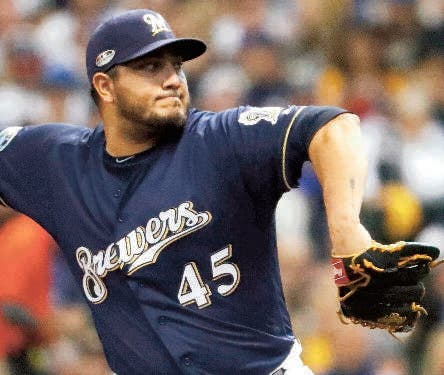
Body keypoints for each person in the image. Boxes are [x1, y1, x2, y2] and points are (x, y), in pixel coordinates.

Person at [0, 9, 438, 375]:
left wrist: (346, 231)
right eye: (150, 67)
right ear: (104, 86)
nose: (172, 79)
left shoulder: (220, 140)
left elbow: (333, 126)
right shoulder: (53, 161)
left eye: (176, 65)